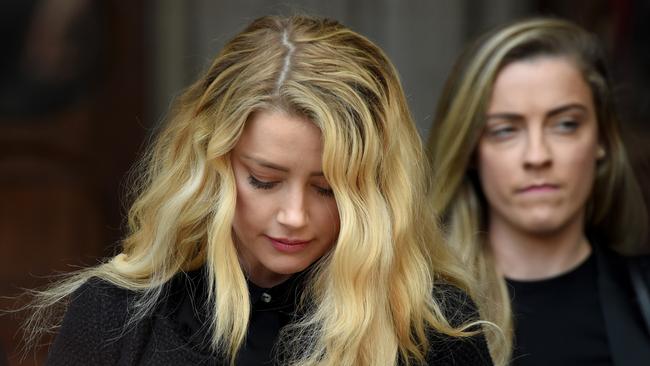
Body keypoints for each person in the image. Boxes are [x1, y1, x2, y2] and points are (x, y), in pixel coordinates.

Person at [24, 15, 494, 366]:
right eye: (264, 181)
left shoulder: (433, 329)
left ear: (377, 189)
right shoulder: (115, 314)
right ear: (210, 167)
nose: (294, 215)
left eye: (329, 189)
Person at [426, 17, 650, 366]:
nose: (537, 156)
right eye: (505, 130)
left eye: (565, 124)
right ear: (470, 150)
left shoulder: (642, 301)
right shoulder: (424, 315)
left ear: (602, 139)